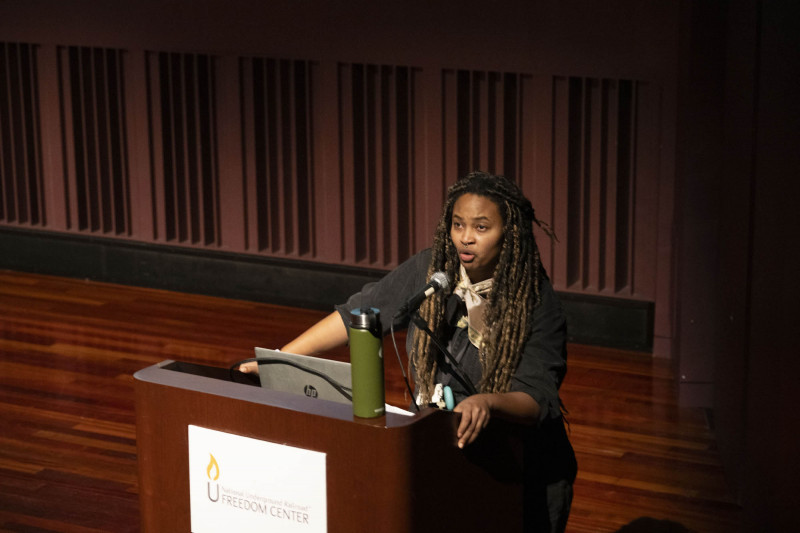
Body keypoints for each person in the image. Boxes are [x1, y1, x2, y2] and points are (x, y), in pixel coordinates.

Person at [241, 171, 577, 532]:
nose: (465, 238)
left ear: (509, 234)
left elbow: (537, 397)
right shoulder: (432, 270)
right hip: (446, 453)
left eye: (481, 228)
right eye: (458, 224)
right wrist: (280, 360)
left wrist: (489, 402)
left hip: (521, 472)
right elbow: (361, 312)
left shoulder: (538, 303)